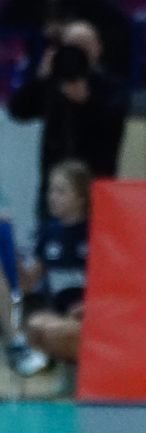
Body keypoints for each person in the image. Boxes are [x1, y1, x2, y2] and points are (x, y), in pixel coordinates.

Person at [8, 20, 128, 212]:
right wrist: (41, 77)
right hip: (54, 185)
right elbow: (18, 111)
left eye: (84, 45)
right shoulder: (52, 83)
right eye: (72, 45)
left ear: (98, 48)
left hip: (96, 184)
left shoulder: (111, 86)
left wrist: (87, 103)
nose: (78, 51)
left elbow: (115, 126)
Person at [0, 0, 132, 79]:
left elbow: (112, 21)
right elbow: (7, 19)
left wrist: (66, 28)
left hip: (78, 57)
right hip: (37, 56)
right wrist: (40, 28)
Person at [20, 159, 91, 372]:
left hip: (89, 315)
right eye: (50, 190)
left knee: (59, 330)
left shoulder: (96, 232)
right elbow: (28, 284)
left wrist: (88, 306)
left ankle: (73, 373)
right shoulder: (48, 232)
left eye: (60, 192)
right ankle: (59, 369)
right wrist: (9, 254)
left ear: (81, 197)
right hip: (58, 315)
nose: (52, 197)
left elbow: (112, 285)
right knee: (35, 325)